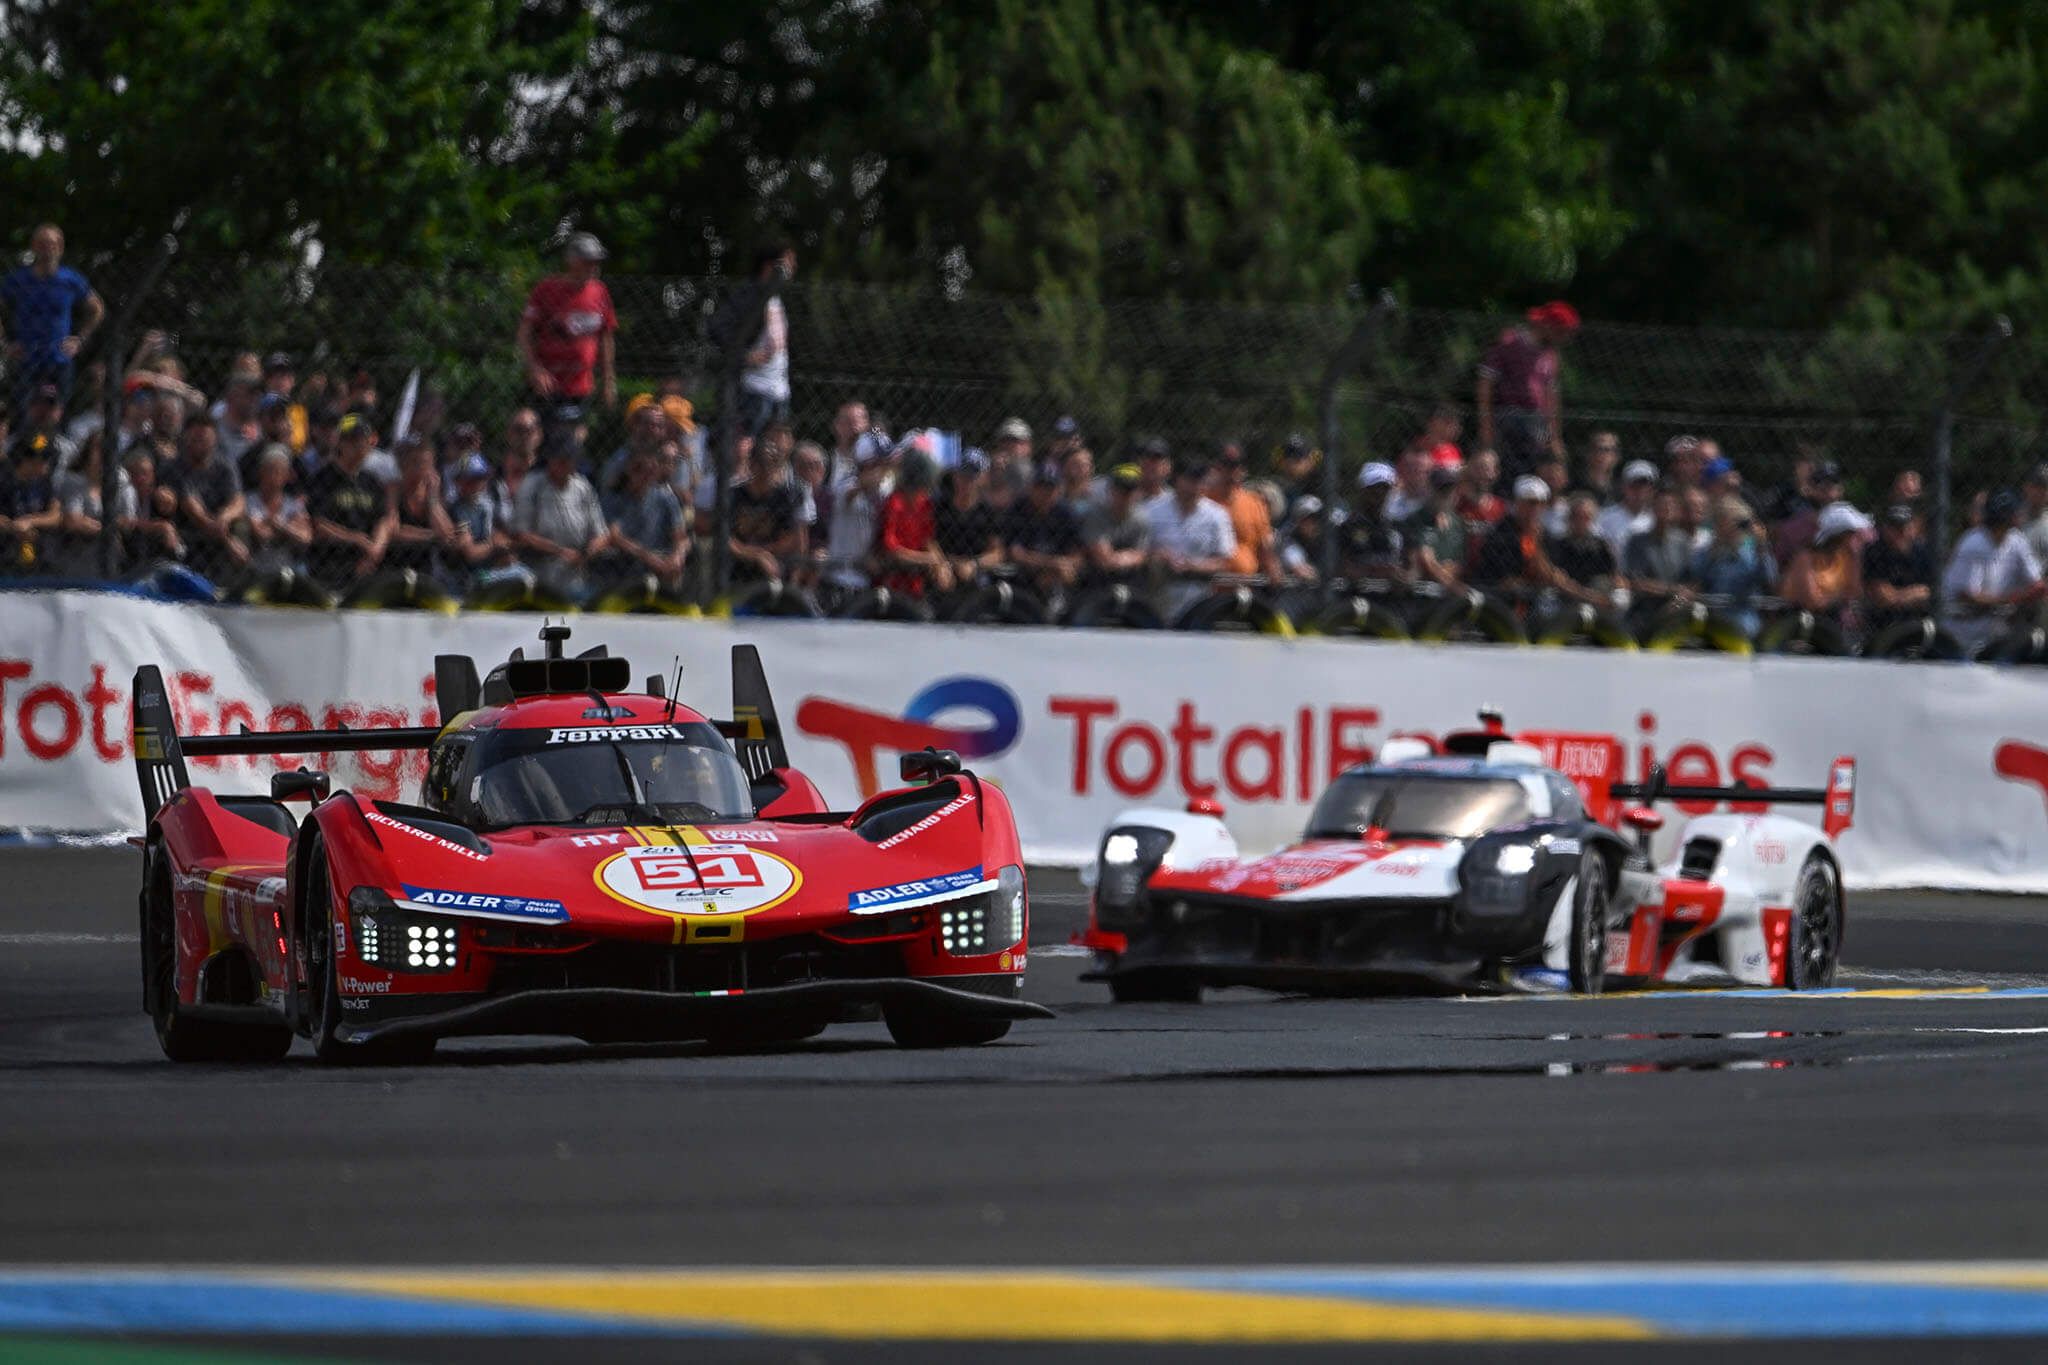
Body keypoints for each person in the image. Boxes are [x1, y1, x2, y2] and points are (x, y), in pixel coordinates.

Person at [516, 232, 617, 427]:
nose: (593, 266)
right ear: (572, 261)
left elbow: (606, 337)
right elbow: (524, 333)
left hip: (581, 385)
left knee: (571, 443)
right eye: (587, 261)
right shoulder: (547, 289)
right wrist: (535, 369)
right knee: (545, 442)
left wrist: (608, 380)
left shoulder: (600, 291)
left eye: (596, 261)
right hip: (548, 385)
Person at [1, 224, 103, 410]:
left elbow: (96, 309)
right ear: (34, 246)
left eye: (52, 244)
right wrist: (5, 343)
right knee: (23, 414)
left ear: (60, 247)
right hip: (26, 360)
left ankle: (46, 440)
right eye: (42, 244)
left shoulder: (70, 280)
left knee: (56, 414)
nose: (48, 249)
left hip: (59, 360)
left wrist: (80, 340)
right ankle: (30, 440)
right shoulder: (18, 280)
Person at [1476, 301, 1577, 483]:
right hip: (1509, 418)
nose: (1564, 338)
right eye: (1561, 332)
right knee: (1506, 472)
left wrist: (1555, 437)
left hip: (1537, 422)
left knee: (1543, 468)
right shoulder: (1509, 343)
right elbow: (1486, 384)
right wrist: (1486, 428)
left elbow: (1551, 397)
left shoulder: (1551, 355)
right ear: (1547, 326)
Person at [1943, 489, 2045, 656]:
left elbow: (2037, 583)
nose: (2021, 513)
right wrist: (2010, 599)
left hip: (1994, 631)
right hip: (1963, 632)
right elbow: (1967, 596)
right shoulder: (1974, 543)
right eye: (2016, 511)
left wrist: (2032, 592)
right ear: (2006, 516)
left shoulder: (2016, 539)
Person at [305, 410, 397, 589]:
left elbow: (385, 519)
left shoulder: (371, 481)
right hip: (329, 567)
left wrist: (375, 549)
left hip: (366, 566)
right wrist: (355, 539)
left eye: (363, 438)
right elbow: (318, 524)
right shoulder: (323, 478)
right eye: (352, 439)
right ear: (340, 443)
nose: (359, 444)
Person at [513, 431, 609, 601]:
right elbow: (521, 534)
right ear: (550, 459)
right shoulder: (533, 485)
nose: (565, 463)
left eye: (570, 458)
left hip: (577, 577)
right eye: (560, 458)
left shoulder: (583, 487)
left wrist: (587, 552)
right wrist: (560, 551)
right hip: (539, 575)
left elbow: (602, 535)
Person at [161, 415, 249, 582]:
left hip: (218, 523)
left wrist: (225, 517)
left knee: (241, 525)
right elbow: (195, 512)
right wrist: (228, 541)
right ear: (186, 438)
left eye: (205, 438)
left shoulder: (224, 465)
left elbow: (238, 501)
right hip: (188, 528)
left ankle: (230, 586)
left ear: (215, 439)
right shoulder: (174, 467)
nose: (201, 444)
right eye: (196, 439)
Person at [1148, 459, 1237, 620]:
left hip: (1197, 598)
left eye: (1200, 480)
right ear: (1177, 479)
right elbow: (1139, 549)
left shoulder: (1217, 515)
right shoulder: (1152, 510)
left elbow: (1224, 560)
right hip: (1157, 596)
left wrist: (1191, 565)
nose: (1195, 485)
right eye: (1190, 479)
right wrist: (1158, 555)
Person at [595, 445, 689, 591]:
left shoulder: (666, 498)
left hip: (661, 556)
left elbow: (679, 536)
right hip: (628, 558)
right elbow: (615, 537)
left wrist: (677, 556)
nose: (645, 475)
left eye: (650, 470)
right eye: (639, 469)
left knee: (680, 560)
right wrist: (650, 558)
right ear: (628, 470)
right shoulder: (614, 498)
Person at [1691, 498, 1777, 639]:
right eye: (1729, 521)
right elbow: (1696, 581)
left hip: (1746, 621)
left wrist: (1762, 546)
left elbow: (1770, 580)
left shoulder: (1754, 554)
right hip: (1712, 622)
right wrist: (1715, 552)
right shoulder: (1706, 553)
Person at [727, 428, 804, 583]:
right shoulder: (734, 494)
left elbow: (791, 539)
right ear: (751, 464)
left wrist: (764, 553)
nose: (766, 469)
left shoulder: (786, 496)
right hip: (735, 567)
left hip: (774, 567)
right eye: (761, 463)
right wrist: (754, 555)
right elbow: (724, 537)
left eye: (772, 463)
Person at [1006, 462, 1085, 610]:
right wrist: (1054, 563)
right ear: (1032, 488)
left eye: (1051, 488)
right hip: (1025, 572)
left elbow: (1078, 555)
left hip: (1057, 571)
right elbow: (1015, 554)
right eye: (1041, 487)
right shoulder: (1018, 510)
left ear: (1059, 490)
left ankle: (1060, 609)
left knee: (1067, 574)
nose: (1045, 493)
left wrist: (1064, 564)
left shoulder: (1065, 513)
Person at [1470, 476, 1566, 598]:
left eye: (1540, 503)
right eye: (1530, 503)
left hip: (1535, 592)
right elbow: (1507, 579)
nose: (1535, 509)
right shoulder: (1502, 532)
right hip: (1500, 595)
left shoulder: (1544, 533)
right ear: (1517, 503)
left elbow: (1550, 573)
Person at [821, 434, 892, 598]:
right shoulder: (846, 484)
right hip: (838, 579)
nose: (886, 470)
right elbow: (848, 493)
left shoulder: (878, 493)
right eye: (881, 464)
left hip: (864, 580)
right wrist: (866, 478)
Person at [385, 436, 459, 584]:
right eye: (417, 462)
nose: (423, 468)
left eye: (427, 463)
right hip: (394, 562)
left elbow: (447, 534)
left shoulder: (432, 492)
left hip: (426, 567)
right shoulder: (394, 489)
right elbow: (393, 530)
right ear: (403, 463)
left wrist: (432, 499)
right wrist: (431, 536)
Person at [1780, 502, 1870, 618]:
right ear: (1840, 537)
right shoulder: (1805, 558)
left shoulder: (1845, 559)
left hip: (1827, 621)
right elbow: (1813, 601)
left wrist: (1854, 558)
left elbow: (1855, 593)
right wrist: (1839, 597)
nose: (1858, 539)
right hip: (1794, 620)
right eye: (1853, 535)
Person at [876, 451, 946, 596]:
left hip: (916, 584)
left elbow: (928, 540)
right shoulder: (895, 503)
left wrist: (941, 563)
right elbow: (892, 551)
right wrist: (926, 560)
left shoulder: (924, 503)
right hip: (891, 582)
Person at [933, 453, 1005, 592]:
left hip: (975, 569)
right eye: (963, 475)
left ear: (983, 479)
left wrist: (974, 564)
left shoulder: (988, 511)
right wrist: (941, 563)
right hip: (944, 564)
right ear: (955, 476)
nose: (967, 482)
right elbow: (929, 541)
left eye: (973, 477)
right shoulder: (940, 506)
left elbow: (997, 553)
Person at [241, 444, 314, 577]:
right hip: (258, 566)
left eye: (279, 471)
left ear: (287, 476)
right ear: (261, 473)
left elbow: (305, 538)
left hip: (289, 567)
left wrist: (277, 525)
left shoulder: (293, 504)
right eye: (270, 470)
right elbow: (262, 535)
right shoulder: (249, 501)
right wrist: (290, 527)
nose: (274, 476)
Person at [1862, 503, 1934, 634]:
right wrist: (1913, 594)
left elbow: (1928, 592)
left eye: (1904, 526)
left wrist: (1896, 595)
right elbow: (1883, 597)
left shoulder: (1922, 553)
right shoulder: (1875, 552)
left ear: (1913, 527)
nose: (1901, 532)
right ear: (1885, 528)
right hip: (1881, 626)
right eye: (1894, 527)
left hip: (1918, 623)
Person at [1210, 446, 1279, 577]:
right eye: (1227, 464)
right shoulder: (1203, 500)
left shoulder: (1254, 502)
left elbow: (1264, 546)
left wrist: (1272, 568)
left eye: (1237, 464)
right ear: (1216, 467)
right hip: (1208, 585)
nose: (1233, 469)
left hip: (1244, 585)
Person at [1080, 463, 1152, 589]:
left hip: (1129, 577)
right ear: (1111, 490)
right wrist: (1128, 556)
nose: (1125, 495)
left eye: (1130, 490)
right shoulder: (1095, 515)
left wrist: (1123, 558)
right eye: (1121, 490)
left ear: (1138, 492)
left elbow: (1141, 555)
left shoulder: (1141, 518)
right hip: (1095, 578)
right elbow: (1103, 560)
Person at [1545, 492, 1621, 607]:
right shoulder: (1557, 544)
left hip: (1597, 593)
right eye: (1576, 516)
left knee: (1620, 596)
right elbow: (1557, 579)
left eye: (1585, 517)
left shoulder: (1602, 545)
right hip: (1567, 596)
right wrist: (1587, 596)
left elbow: (1614, 576)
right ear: (1569, 518)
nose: (1580, 521)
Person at [0, 435, 62, 571]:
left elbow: (55, 515)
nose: (46, 465)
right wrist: (13, 527)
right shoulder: (5, 481)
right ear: (25, 461)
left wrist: (30, 521)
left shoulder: (44, 483)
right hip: (7, 546)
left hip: (39, 547)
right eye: (41, 460)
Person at [1623, 489, 1695, 603]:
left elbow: (1690, 582)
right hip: (1645, 607)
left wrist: (1677, 595)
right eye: (1663, 504)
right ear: (1653, 507)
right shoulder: (1638, 541)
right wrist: (1673, 590)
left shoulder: (1683, 541)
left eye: (1672, 504)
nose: (1667, 508)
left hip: (1676, 606)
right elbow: (1638, 583)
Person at [1406, 464, 1469, 589]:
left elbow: (1459, 562)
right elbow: (1424, 561)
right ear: (1430, 490)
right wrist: (1449, 582)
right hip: (1423, 589)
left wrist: (1448, 572)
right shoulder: (1416, 519)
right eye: (1441, 489)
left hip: (1449, 586)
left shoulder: (1457, 522)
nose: (1446, 494)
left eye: (1450, 489)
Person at [117, 449, 184, 568]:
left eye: (147, 473)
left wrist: (167, 503)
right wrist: (158, 526)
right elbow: (124, 523)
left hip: (152, 548)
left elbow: (169, 510)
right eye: (137, 473)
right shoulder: (125, 492)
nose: (142, 478)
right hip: (129, 546)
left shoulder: (156, 496)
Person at [1342, 463, 1406, 580]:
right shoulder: (1347, 526)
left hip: (1391, 595)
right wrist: (1369, 571)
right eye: (1374, 488)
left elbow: (1408, 565)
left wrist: (1401, 576)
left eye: (1384, 488)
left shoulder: (1397, 526)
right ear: (1362, 490)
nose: (1379, 493)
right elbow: (1340, 564)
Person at [1597, 460, 1658, 560]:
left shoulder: (1656, 519)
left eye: (1644, 485)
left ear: (1652, 489)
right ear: (1623, 487)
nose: (1639, 490)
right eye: (1634, 485)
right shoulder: (1605, 517)